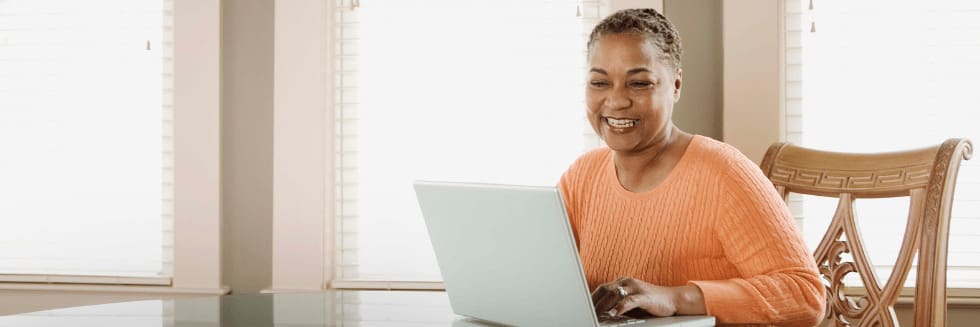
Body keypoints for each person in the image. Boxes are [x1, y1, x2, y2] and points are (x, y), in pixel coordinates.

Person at [559, 8, 826, 326]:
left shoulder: (724, 174)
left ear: (675, 85)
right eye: (600, 82)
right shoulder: (581, 177)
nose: (616, 101)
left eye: (640, 84)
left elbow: (805, 295)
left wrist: (674, 298)